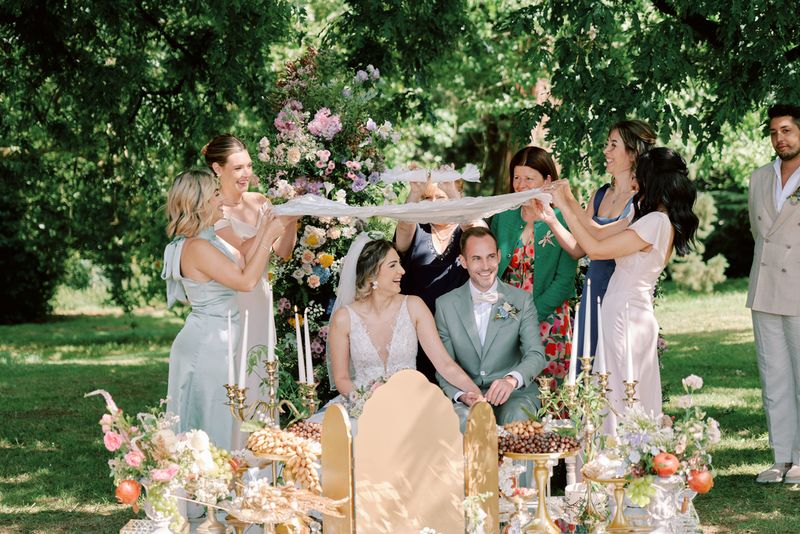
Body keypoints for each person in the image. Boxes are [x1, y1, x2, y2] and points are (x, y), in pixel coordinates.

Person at [546, 147, 698, 431]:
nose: (634, 182)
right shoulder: (645, 218)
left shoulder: (655, 222)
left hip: (626, 316)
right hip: (623, 310)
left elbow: (595, 249)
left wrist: (563, 207)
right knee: (617, 387)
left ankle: (617, 451)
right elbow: (597, 231)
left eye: (639, 177)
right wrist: (567, 198)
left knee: (619, 391)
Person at [161, 169, 287, 450]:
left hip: (217, 340)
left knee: (217, 420)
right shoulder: (197, 247)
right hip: (206, 346)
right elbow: (245, 282)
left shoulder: (209, 240)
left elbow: (242, 264)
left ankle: (211, 475)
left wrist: (266, 229)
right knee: (208, 424)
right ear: (200, 202)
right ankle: (204, 477)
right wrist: (267, 239)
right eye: (216, 194)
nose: (222, 200)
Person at [311, 234, 483, 429]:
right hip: (360, 408)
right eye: (393, 265)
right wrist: (367, 403)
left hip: (411, 407)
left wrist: (476, 395)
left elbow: (445, 364)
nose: (402, 271)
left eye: (399, 264)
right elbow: (341, 378)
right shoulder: (344, 318)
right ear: (371, 275)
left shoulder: (414, 306)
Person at [203, 134, 297, 443]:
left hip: (260, 298)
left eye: (249, 166)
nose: (246, 174)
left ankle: (263, 449)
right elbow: (243, 252)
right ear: (217, 169)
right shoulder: (213, 209)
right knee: (238, 374)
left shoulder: (259, 201)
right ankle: (232, 448)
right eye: (238, 168)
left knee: (261, 372)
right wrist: (270, 227)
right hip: (234, 300)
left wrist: (292, 219)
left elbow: (283, 251)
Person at [539, 120, 656, 358]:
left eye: (613, 145)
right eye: (607, 144)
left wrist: (568, 201)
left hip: (620, 291)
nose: (606, 151)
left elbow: (598, 237)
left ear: (633, 153)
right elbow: (579, 249)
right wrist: (551, 219)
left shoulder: (642, 202)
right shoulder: (600, 194)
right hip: (594, 287)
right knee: (588, 361)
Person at [434, 226, 547, 428]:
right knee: (462, 422)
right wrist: (462, 395)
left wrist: (511, 380)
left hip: (515, 395)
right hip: (467, 396)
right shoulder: (445, 305)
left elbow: (536, 353)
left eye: (491, 257)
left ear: (499, 256)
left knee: (518, 416)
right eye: (476, 258)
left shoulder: (521, 300)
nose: (485, 266)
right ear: (463, 261)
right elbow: (444, 364)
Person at [491, 147, 578, 380]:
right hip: (507, 317)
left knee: (547, 393)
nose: (521, 185)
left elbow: (564, 281)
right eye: (516, 178)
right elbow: (493, 272)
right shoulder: (502, 216)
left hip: (548, 319)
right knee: (504, 386)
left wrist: (529, 317)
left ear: (547, 180)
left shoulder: (562, 220)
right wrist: (509, 318)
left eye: (529, 178)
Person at [747, 104, 800, 484]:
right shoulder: (759, 177)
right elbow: (758, 233)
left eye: (787, 130)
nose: (779, 138)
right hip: (765, 288)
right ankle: (781, 457)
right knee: (773, 376)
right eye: (774, 132)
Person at [394, 179, 481, 382]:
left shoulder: (468, 225)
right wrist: (414, 193)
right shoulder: (417, 226)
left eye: (440, 197)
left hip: (461, 330)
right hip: (417, 330)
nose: (433, 203)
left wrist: (453, 194)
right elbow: (403, 231)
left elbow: (477, 234)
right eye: (427, 198)